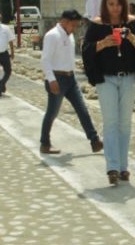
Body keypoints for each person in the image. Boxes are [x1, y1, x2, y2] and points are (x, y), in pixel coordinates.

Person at [82, 0, 135, 186]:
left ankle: (123, 166)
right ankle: (112, 167)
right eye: (111, 4)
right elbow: (86, 49)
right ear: (105, 5)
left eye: (118, 4)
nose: (115, 8)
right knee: (110, 121)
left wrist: (129, 36)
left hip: (128, 77)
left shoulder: (132, 23)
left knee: (125, 123)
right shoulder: (97, 25)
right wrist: (103, 43)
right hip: (106, 78)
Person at [39, 10, 104, 155]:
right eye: (73, 25)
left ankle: (94, 140)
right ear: (65, 22)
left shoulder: (70, 36)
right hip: (57, 78)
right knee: (52, 113)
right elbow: (45, 60)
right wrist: (51, 79)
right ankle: (44, 143)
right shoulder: (52, 36)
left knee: (82, 109)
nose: (74, 29)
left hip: (70, 79)